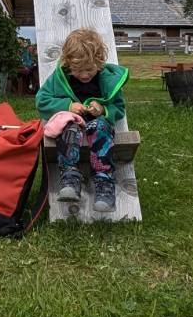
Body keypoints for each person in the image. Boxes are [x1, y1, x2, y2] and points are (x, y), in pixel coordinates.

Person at [35, 26, 129, 213]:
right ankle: (69, 177)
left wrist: (103, 109)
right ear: (68, 63)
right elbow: (41, 100)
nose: (85, 75)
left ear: (99, 62)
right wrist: (68, 106)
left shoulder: (106, 79)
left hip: (98, 128)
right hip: (73, 130)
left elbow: (119, 108)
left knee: (100, 126)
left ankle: (104, 183)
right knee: (68, 125)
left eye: (89, 69)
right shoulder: (59, 78)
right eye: (78, 70)